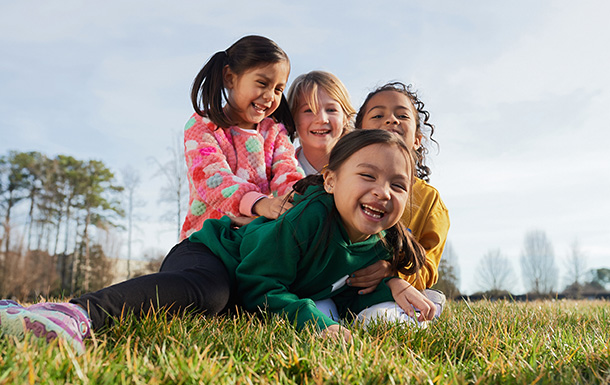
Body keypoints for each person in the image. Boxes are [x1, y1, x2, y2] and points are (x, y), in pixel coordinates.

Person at [0, 130, 436, 353]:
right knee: (210, 294)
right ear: (331, 178)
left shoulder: (381, 243)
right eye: (368, 176)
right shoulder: (308, 218)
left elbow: (351, 289)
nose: (383, 191)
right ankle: (74, 314)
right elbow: (260, 286)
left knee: (222, 308)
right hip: (214, 254)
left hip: (243, 278)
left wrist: (396, 290)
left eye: (398, 185)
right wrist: (322, 327)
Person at [180, 35, 304, 240]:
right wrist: (259, 204)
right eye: (262, 83)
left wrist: (302, 199)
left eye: (278, 89)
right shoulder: (203, 125)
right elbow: (214, 179)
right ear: (230, 77)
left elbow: (288, 173)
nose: (270, 96)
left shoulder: (274, 132)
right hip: (207, 239)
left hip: (256, 237)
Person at [350, 81, 450, 300]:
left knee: (430, 299)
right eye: (377, 116)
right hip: (334, 286)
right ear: (357, 135)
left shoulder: (430, 201)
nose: (391, 119)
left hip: (392, 294)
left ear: (417, 140)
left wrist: (393, 271)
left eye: (402, 116)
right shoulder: (337, 179)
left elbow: (428, 267)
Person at [286, 70, 355, 175]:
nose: (322, 119)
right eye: (309, 110)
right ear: (292, 119)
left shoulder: (362, 167)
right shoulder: (279, 173)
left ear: (346, 118)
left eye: (331, 110)